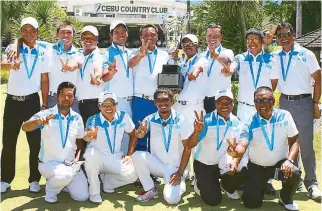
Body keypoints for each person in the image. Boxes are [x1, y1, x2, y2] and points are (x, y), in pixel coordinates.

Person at [227, 86, 301, 210]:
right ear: (254, 103)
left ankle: (285, 198)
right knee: (251, 203)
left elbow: (295, 141)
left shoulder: (284, 116)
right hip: (257, 167)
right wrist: (234, 152)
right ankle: (248, 179)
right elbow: (242, 146)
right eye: (257, 101)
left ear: (273, 100)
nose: (262, 104)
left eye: (266, 100)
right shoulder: (250, 122)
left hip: (280, 164)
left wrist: (289, 160)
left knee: (294, 173)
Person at [271, 22, 322, 200]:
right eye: (280, 36)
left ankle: (311, 182)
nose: (283, 39)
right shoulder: (275, 55)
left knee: (306, 144)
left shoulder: (306, 54)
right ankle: (296, 177)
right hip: (284, 102)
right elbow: (273, 80)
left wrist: (315, 103)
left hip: (304, 102)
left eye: (286, 34)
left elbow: (318, 77)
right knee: (289, 143)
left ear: (293, 35)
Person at [1, 17, 51, 193]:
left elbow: (45, 80)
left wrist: (44, 104)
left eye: (32, 30)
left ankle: (34, 179)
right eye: (25, 30)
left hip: (32, 102)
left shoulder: (44, 51)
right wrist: (10, 65)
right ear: (20, 32)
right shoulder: (12, 48)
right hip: (12, 101)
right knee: (8, 142)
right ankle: (5, 179)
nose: (28, 33)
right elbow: (3, 65)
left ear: (37, 32)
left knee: (34, 143)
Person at [21, 82, 89, 203]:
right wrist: (38, 122)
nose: (66, 98)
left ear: (74, 98)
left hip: (69, 164)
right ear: (57, 96)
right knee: (65, 176)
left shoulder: (77, 118)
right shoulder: (46, 114)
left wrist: (77, 157)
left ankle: (62, 184)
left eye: (70, 95)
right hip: (48, 164)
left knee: (82, 196)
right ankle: (51, 191)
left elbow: (79, 142)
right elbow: (25, 127)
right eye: (63, 94)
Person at [131, 88, 192, 204]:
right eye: (159, 100)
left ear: (172, 101)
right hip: (158, 166)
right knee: (138, 155)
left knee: (171, 199)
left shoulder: (181, 120)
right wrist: (140, 133)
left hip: (175, 169)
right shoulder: (150, 119)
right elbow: (140, 133)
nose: (163, 103)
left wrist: (179, 172)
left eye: (166, 100)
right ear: (154, 103)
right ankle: (150, 189)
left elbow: (187, 148)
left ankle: (182, 179)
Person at [188, 89, 247, 206]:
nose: (224, 105)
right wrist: (196, 132)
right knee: (213, 201)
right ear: (215, 104)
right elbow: (189, 145)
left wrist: (235, 159)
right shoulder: (206, 120)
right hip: (205, 163)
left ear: (233, 104)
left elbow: (240, 148)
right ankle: (200, 181)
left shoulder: (237, 122)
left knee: (246, 164)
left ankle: (227, 186)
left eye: (228, 102)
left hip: (223, 161)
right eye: (220, 102)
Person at [83, 91, 138, 203]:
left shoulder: (124, 117)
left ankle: (108, 182)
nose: (108, 107)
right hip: (98, 158)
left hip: (115, 157)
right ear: (99, 106)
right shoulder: (92, 119)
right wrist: (89, 137)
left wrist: (129, 155)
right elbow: (86, 137)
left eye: (111, 103)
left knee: (133, 174)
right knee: (90, 154)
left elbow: (134, 135)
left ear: (116, 105)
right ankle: (94, 192)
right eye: (104, 104)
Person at [128, 24, 169, 152]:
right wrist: (141, 54)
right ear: (141, 37)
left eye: (152, 35)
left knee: (157, 135)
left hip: (159, 102)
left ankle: (155, 167)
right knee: (139, 133)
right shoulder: (133, 53)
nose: (149, 37)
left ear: (157, 37)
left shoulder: (165, 55)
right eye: (146, 35)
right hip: (141, 100)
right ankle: (139, 165)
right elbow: (130, 64)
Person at [102, 20, 133, 154]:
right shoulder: (107, 53)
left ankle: (124, 170)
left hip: (130, 101)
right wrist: (111, 73)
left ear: (127, 34)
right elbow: (104, 77)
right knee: (114, 136)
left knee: (127, 135)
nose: (120, 34)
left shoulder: (130, 53)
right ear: (111, 35)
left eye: (123, 31)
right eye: (116, 32)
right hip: (116, 101)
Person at [173, 34, 208, 127]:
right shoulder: (183, 63)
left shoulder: (202, 60)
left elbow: (199, 68)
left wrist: (194, 74)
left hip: (194, 108)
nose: (187, 46)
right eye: (184, 44)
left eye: (191, 44)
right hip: (179, 107)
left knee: (194, 140)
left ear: (197, 46)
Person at [200, 24, 234, 113]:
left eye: (216, 36)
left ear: (221, 37)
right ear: (205, 36)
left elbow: (228, 64)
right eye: (210, 35)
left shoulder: (227, 52)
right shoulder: (201, 56)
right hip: (201, 100)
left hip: (220, 100)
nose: (212, 38)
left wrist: (217, 56)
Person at [47, 21, 81, 113]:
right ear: (57, 34)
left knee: (73, 127)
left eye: (69, 32)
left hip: (72, 100)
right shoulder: (48, 51)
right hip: (52, 99)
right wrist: (15, 43)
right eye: (62, 32)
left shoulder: (79, 53)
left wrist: (73, 67)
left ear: (73, 35)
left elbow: (80, 63)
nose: (66, 35)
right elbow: (27, 39)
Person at [76, 26, 105, 125]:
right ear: (81, 39)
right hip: (78, 102)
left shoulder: (98, 56)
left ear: (96, 40)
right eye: (85, 37)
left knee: (92, 136)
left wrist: (97, 77)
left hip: (93, 103)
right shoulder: (78, 54)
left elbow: (98, 69)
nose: (88, 40)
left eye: (92, 38)